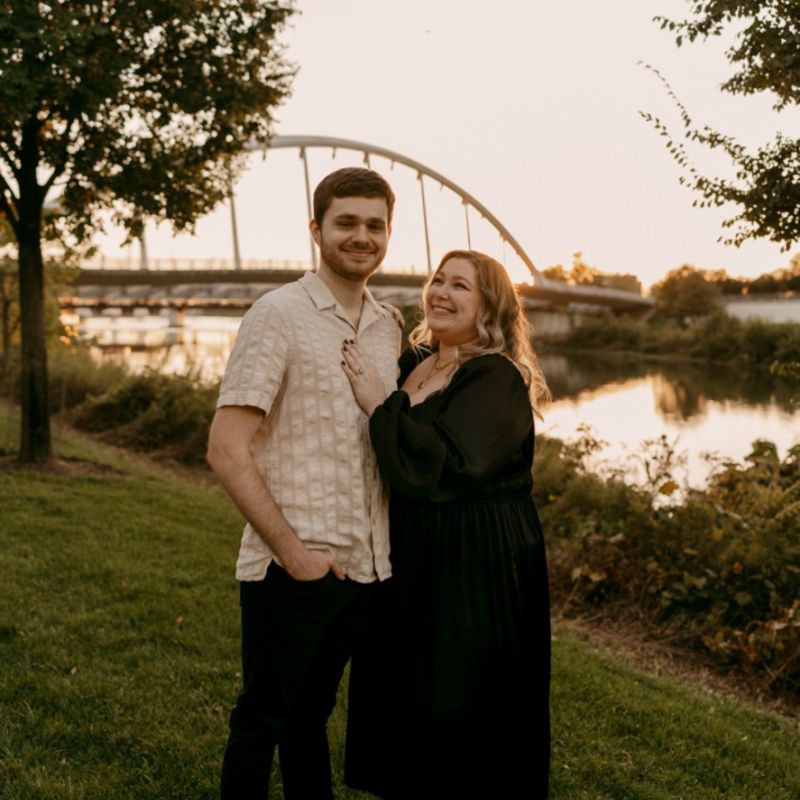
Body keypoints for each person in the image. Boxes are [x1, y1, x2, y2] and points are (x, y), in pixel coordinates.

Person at [206, 166, 402, 800]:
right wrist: (295, 557)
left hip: (365, 571)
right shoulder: (278, 315)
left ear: (388, 234)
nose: (361, 236)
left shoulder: (389, 325)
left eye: (375, 225)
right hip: (291, 568)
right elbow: (226, 449)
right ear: (317, 229)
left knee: (311, 720)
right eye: (346, 222)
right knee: (261, 721)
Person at [341, 249, 552, 799]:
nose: (441, 292)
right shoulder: (415, 361)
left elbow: (448, 462)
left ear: (490, 306)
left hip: (475, 555)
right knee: (406, 680)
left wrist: (379, 406)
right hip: (414, 547)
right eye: (439, 279)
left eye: (461, 286)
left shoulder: (495, 376)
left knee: (459, 693)